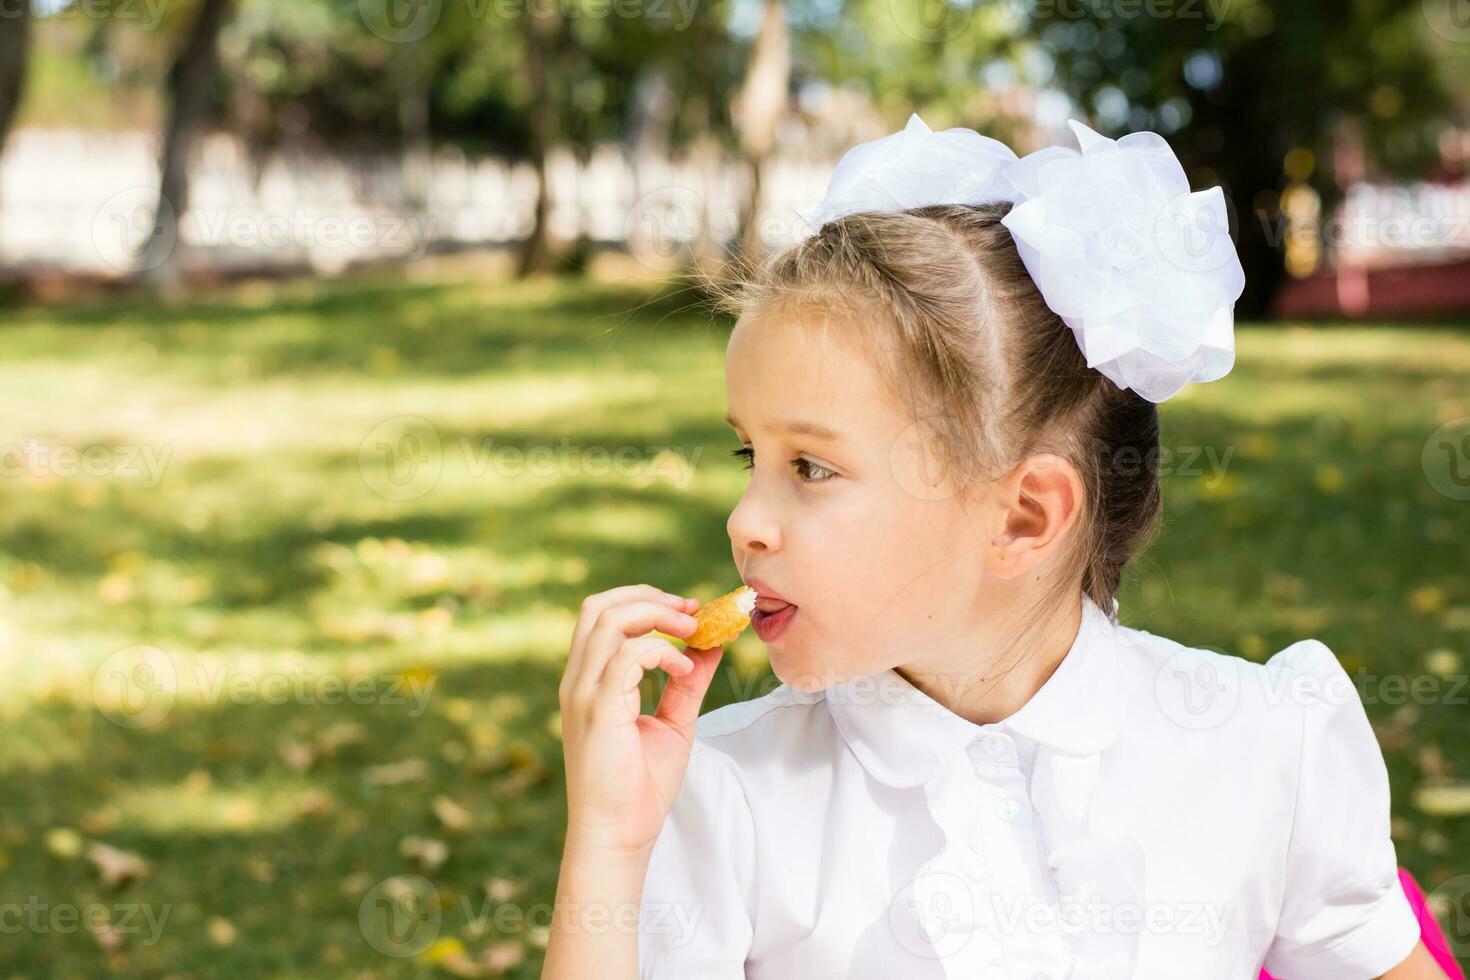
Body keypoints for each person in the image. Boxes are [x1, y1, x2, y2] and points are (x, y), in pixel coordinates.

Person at [542, 117, 1451, 978]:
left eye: (810, 467)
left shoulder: (1262, 747)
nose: (745, 520)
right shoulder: (723, 791)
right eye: (752, 455)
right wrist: (609, 852)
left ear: (1023, 517)